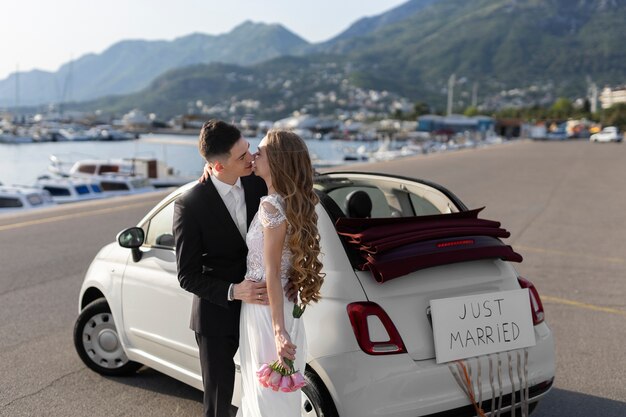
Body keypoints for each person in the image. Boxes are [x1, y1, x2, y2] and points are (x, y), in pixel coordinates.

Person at [173, 120, 274, 417]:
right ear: (217, 166)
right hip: (217, 316)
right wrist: (233, 291)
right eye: (242, 156)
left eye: (249, 150)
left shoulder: (259, 182)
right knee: (218, 404)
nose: (251, 158)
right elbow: (187, 274)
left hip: (262, 310)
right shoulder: (189, 205)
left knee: (264, 388)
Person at [236, 130, 324, 417]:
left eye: (260, 152)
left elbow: (272, 271)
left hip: (266, 312)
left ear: (277, 161)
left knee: (266, 402)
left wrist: (278, 331)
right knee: (274, 401)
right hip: (281, 304)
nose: (254, 156)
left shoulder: (271, 204)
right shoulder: (290, 200)